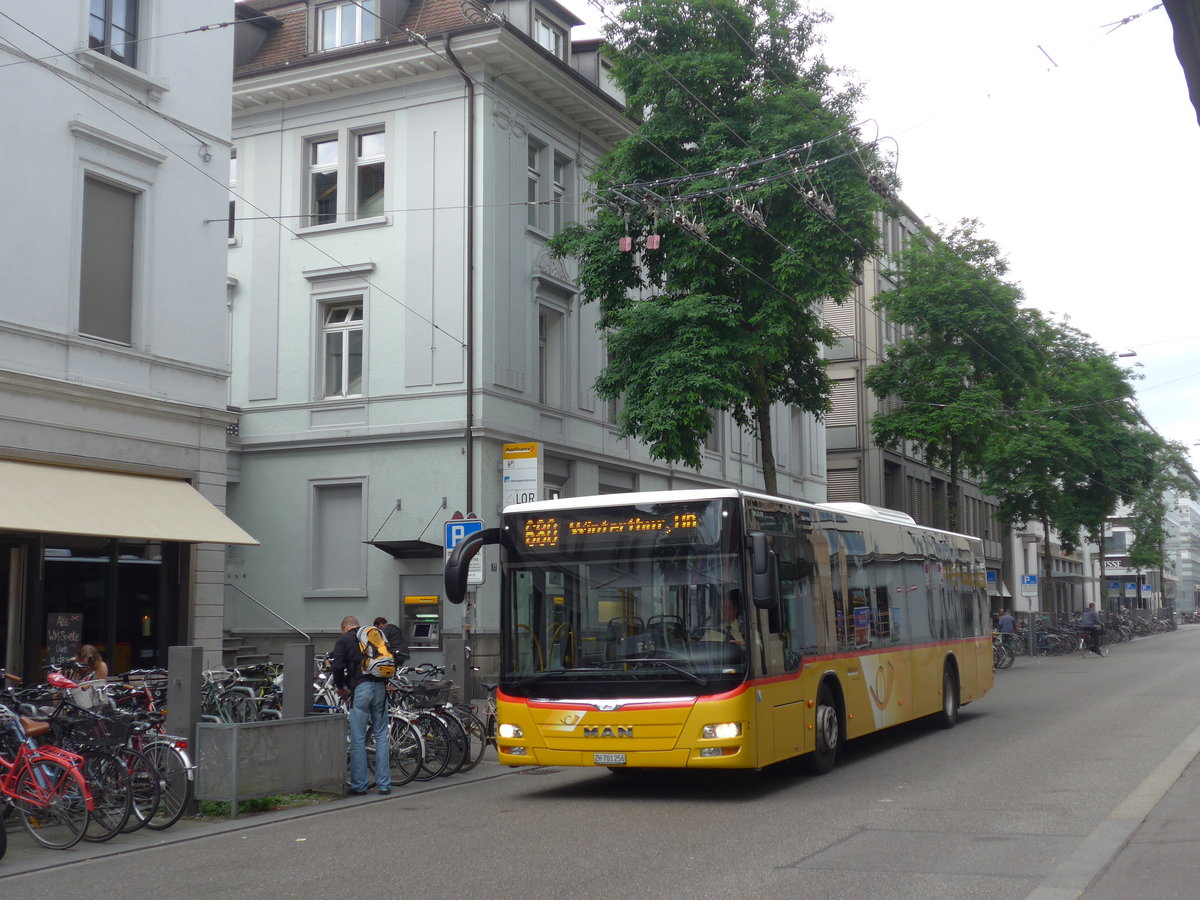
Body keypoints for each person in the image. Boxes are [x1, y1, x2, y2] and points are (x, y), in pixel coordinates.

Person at [330, 615, 391, 796]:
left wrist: (340, 687)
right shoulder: (374, 635)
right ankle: (384, 785)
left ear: (344, 627)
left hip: (361, 689)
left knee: (358, 738)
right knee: (381, 736)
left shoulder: (344, 640)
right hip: (380, 687)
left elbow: (338, 667)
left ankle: (359, 785)